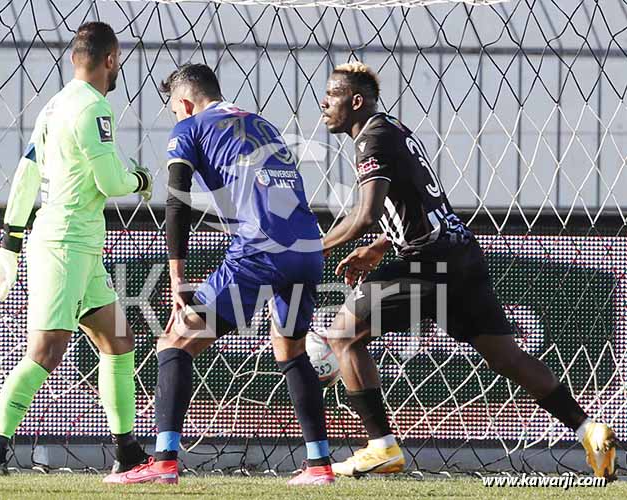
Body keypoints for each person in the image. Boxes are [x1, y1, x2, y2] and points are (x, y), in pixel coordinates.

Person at [319, 61, 617, 480]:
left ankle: (380, 448)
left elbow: (365, 214)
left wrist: (313, 249)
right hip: (460, 256)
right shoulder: (392, 131)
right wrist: (382, 245)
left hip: (430, 265)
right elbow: (417, 203)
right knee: (507, 358)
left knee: (342, 337)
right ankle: (589, 430)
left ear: (355, 101)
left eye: (331, 95)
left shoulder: (372, 139)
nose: (323, 103)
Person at [103, 63, 333, 486]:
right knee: (290, 349)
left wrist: (177, 278)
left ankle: (164, 462)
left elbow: (177, 203)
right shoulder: (260, 122)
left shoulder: (189, 128)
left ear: (185, 103)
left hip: (262, 248)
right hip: (307, 248)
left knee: (174, 339)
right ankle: (319, 466)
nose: (175, 117)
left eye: (174, 110)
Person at [0, 21, 152, 476]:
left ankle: (127, 451)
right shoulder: (95, 109)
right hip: (65, 243)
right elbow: (111, 182)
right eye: (118, 62)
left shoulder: (54, 105)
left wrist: (12, 241)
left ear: (75, 57)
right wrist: (142, 180)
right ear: (111, 59)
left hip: (79, 244)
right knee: (48, 349)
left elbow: (26, 173)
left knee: (117, 341)